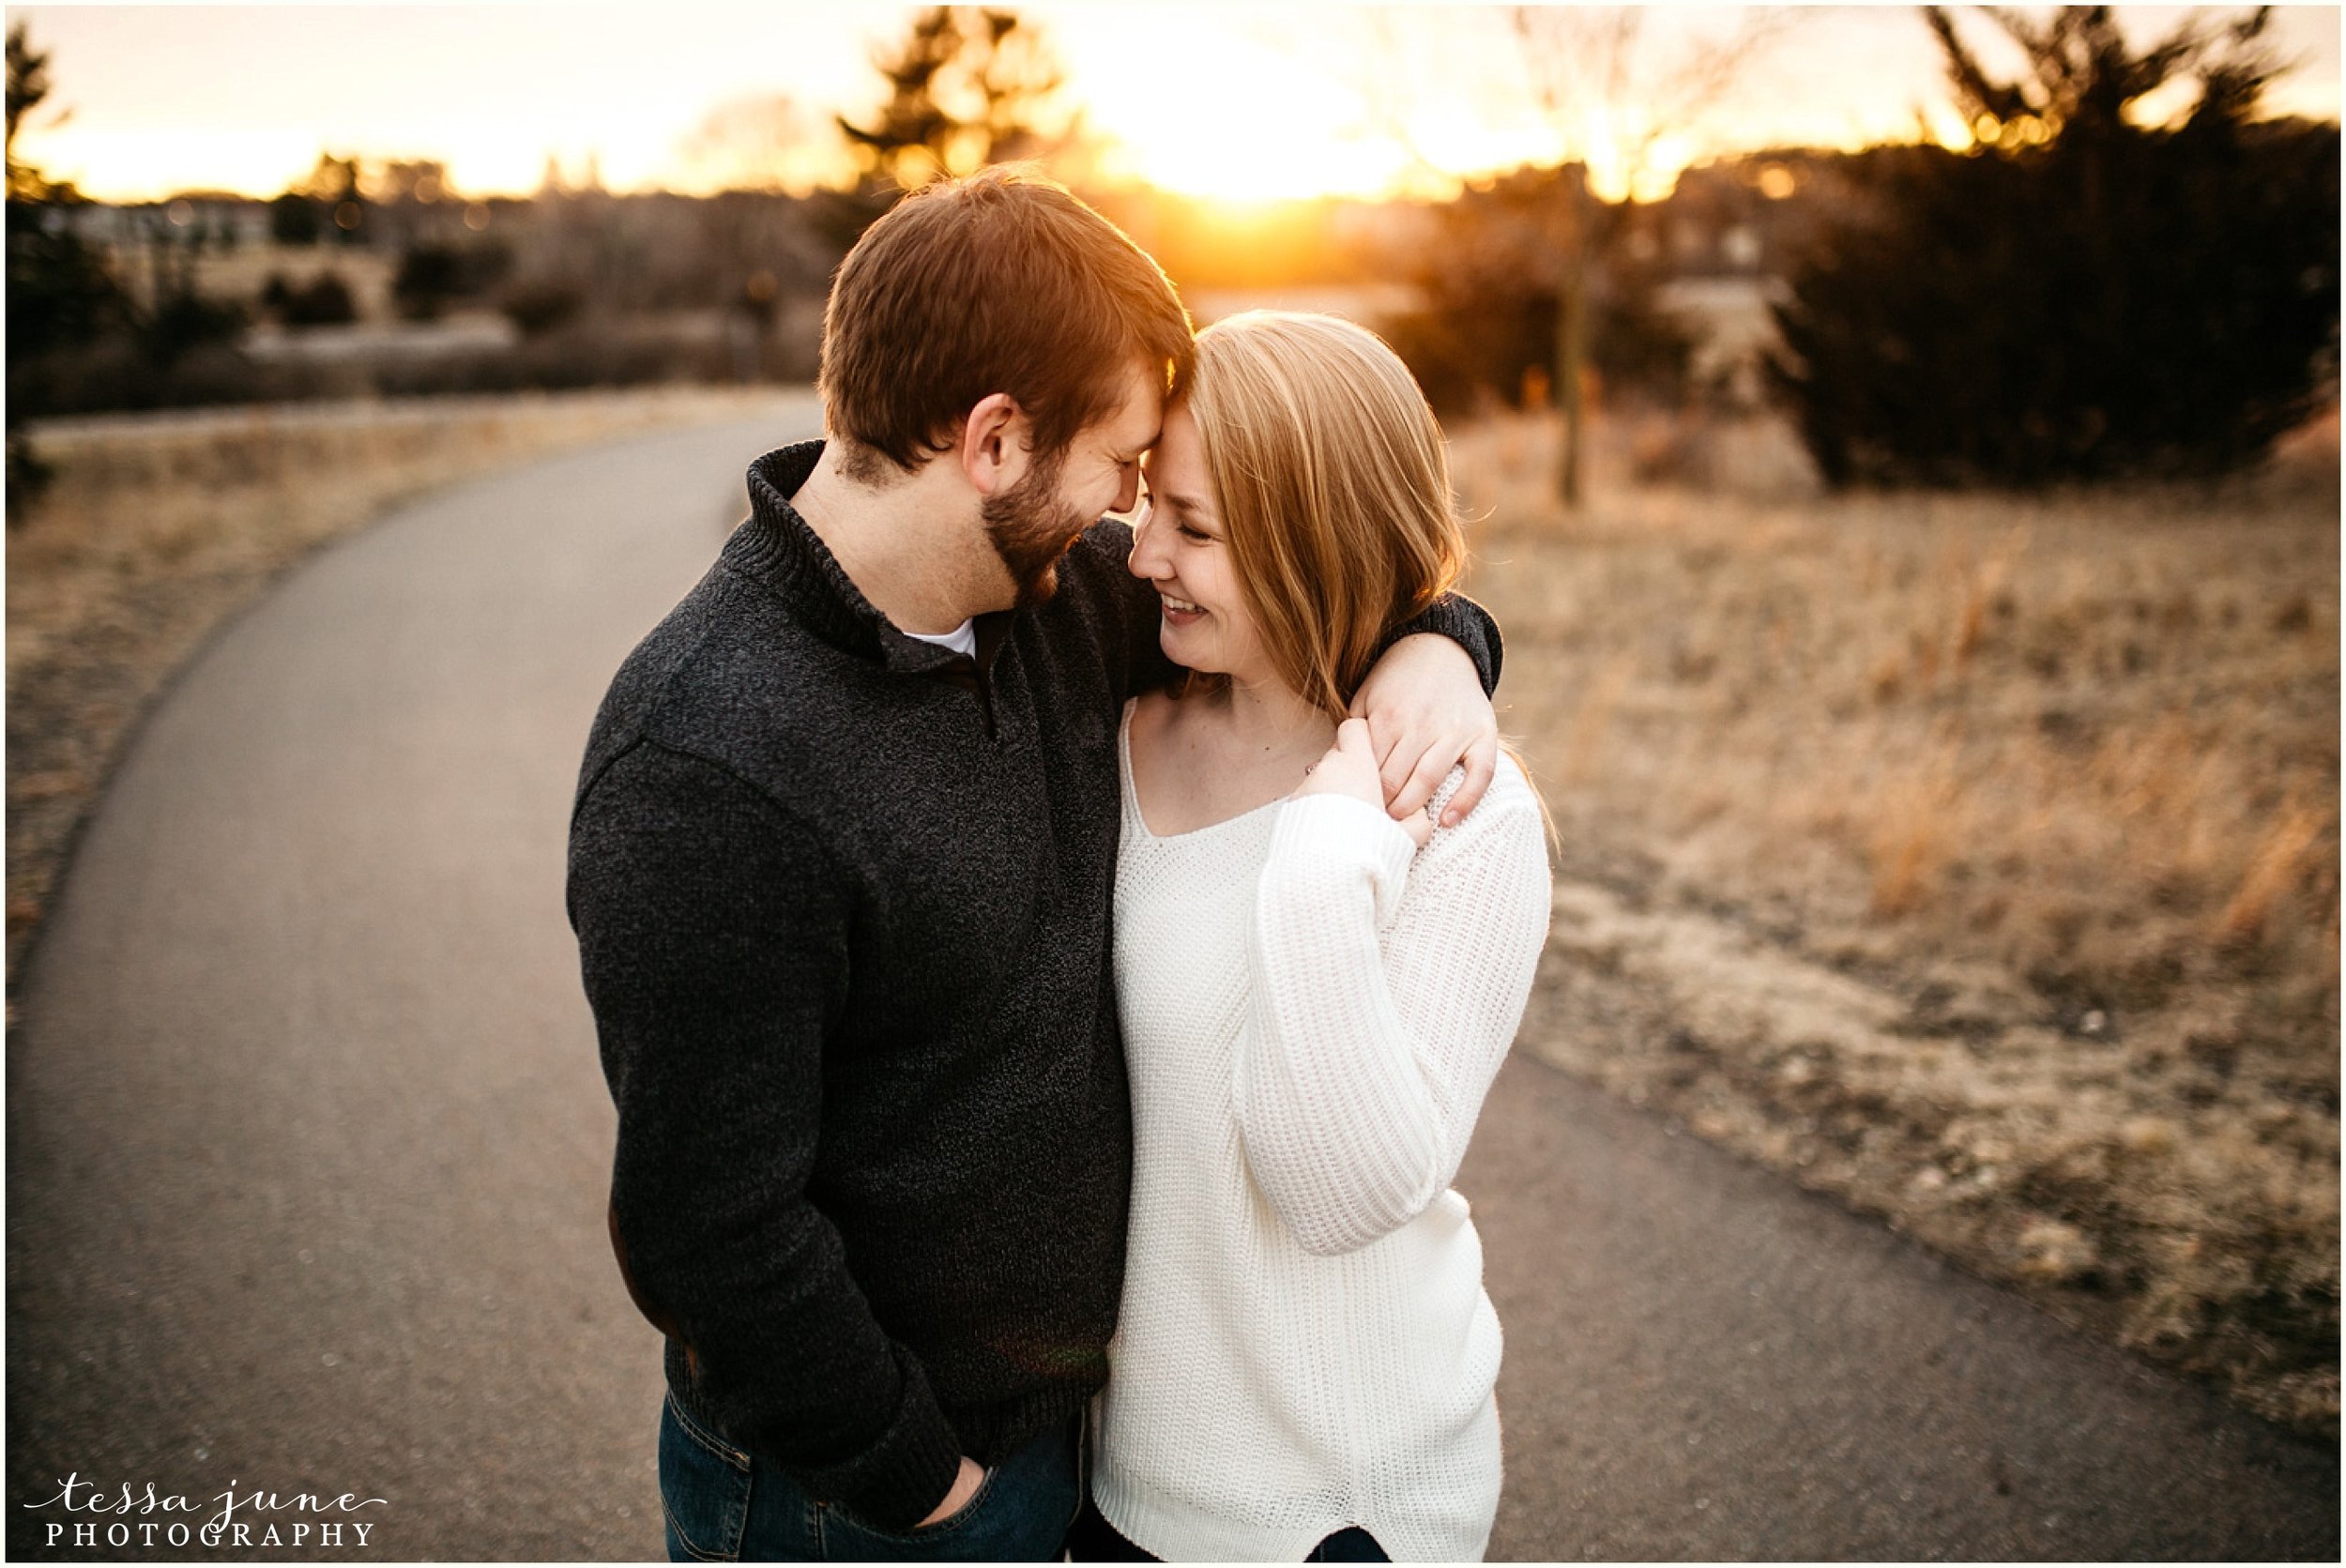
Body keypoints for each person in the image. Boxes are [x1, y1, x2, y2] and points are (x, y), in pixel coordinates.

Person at [565, 171, 1508, 1563]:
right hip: (866, 1500)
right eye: (1121, 467)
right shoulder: (707, 764)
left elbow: (1299, 587)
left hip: (1084, 1451)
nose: (1134, 522)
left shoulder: (1057, 602)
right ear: (996, 441)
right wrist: (920, 1485)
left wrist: (1444, 640)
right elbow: (706, 1230)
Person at [1074, 312, 1554, 1563]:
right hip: (1120, 1481)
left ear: (1314, 540)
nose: (1143, 558)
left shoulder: (1461, 815)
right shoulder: (1115, 734)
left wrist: (1324, 861)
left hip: (1334, 1510)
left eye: (1195, 529)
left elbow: (1337, 1193)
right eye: (1147, 511)